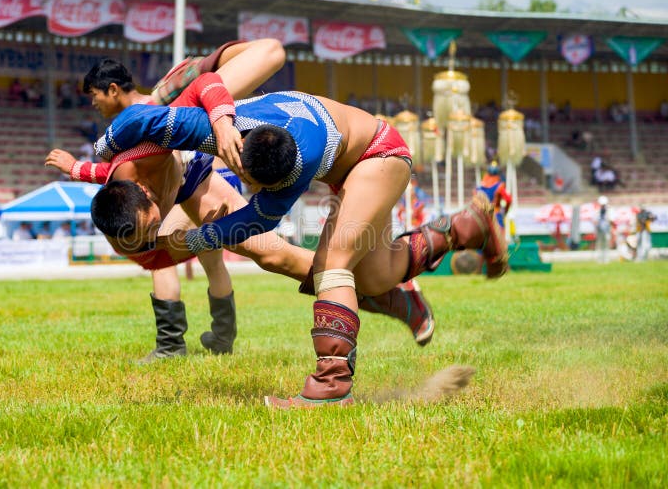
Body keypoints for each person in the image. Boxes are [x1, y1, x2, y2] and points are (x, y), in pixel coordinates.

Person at [93, 79, 507, 408]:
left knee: (332, 266)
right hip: (351, 157)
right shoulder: (213, 130)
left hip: (379, 156)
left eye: (255, 186)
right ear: (235, 150)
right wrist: (102, 153)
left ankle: (331, 385)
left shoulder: (294, 168)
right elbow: (138, 118)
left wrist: (200, 237)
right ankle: (466, 227)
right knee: (378, 276)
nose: (249, 188)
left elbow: (254, 221)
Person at [51, 49, 434, 360]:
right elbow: (107, 177)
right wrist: (78, 168)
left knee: (277, 256)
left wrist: (213, 101)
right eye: (143, 236)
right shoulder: (122, 182)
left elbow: (254, 61)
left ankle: (387, 297)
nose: (93, 104)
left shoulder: (148, 132)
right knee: (186, 256)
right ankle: (181, 343)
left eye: (94, 95)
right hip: (219, 160)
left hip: (199, 172)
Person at [476, 161, 512, 230]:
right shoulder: (499, 186)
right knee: (500, 238)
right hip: (495, 214)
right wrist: (505, 210)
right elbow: (508, 199)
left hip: (482, 215)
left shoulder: (481, 185)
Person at [595, 196, 611, 264]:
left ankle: (606, 259)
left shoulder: (609, 210)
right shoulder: (597, 211)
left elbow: (611, 220)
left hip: (606, 229)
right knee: (599, 244)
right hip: (599, 230)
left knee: (606, 244)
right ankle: (600, 259)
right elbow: (595, 220)